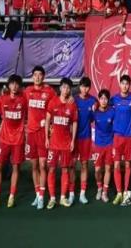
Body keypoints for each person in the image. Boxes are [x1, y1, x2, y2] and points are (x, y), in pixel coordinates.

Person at [0, 75, 27, 210]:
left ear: (19, 86)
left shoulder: (24, 99)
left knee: (15, 168)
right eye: (12, 84)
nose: (14, 86)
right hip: (4, 140)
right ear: (8, 85)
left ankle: (11, 196)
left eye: (17, 84)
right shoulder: (2, 99)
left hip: (18, 140)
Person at [24, 65, 57, 210]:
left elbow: (57, 106)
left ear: (43, 76)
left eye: (40, 75)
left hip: (43, 134)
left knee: (43, 165)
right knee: (34, 165)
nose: (37, 77)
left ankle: (42, 196)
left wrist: (51, 125)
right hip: (31, 134)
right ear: (32, 77)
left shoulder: (49, 92)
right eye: (35, 74)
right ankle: (37, 194)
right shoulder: (27, 91)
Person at [45, 78, 78, 209]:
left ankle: (63, 197)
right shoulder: (53, 102)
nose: (66, 90)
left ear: (70, 90)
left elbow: (74, 123)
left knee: (65, 169)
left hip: (66, 143)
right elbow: (47, 120)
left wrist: (73, 140)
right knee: (52, 169)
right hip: (54, 143)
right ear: (60, 88)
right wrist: (47, 138)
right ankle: (52, 198)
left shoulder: (72, 105)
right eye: (64, 87)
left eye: (68, 88)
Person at [111, 74, 131, 206]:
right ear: (120, 84)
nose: (125, 86)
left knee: (128, 165)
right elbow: (101, 103)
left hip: (129, 137)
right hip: (117, 137)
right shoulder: (114, 99)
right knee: (117, 165)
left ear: (129, 85)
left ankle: (127, 193)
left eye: (127, 84)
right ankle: (119, 192)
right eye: (123, 83)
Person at [71, 77, 96, 205]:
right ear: (79, 87)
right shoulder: (73, 100)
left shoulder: (93, 101)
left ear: (89, 88)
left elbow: (93, 118)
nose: (84, 89)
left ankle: (82, 193)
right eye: (82, 86)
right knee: (72, 165)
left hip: (85, 137)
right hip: (73, 138)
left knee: (84, 164)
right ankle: (71, 193)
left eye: (86, 87)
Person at [92, 89, 114, 203]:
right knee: (97, 170)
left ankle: (105, 192)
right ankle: (99, 188)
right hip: (98, 145)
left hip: (109, 144)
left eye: (105, 99)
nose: (103, 101)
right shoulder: (94, 112)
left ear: (108, 100)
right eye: (101, 98)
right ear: (99, 100)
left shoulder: (112, 112)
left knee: (108, 168)